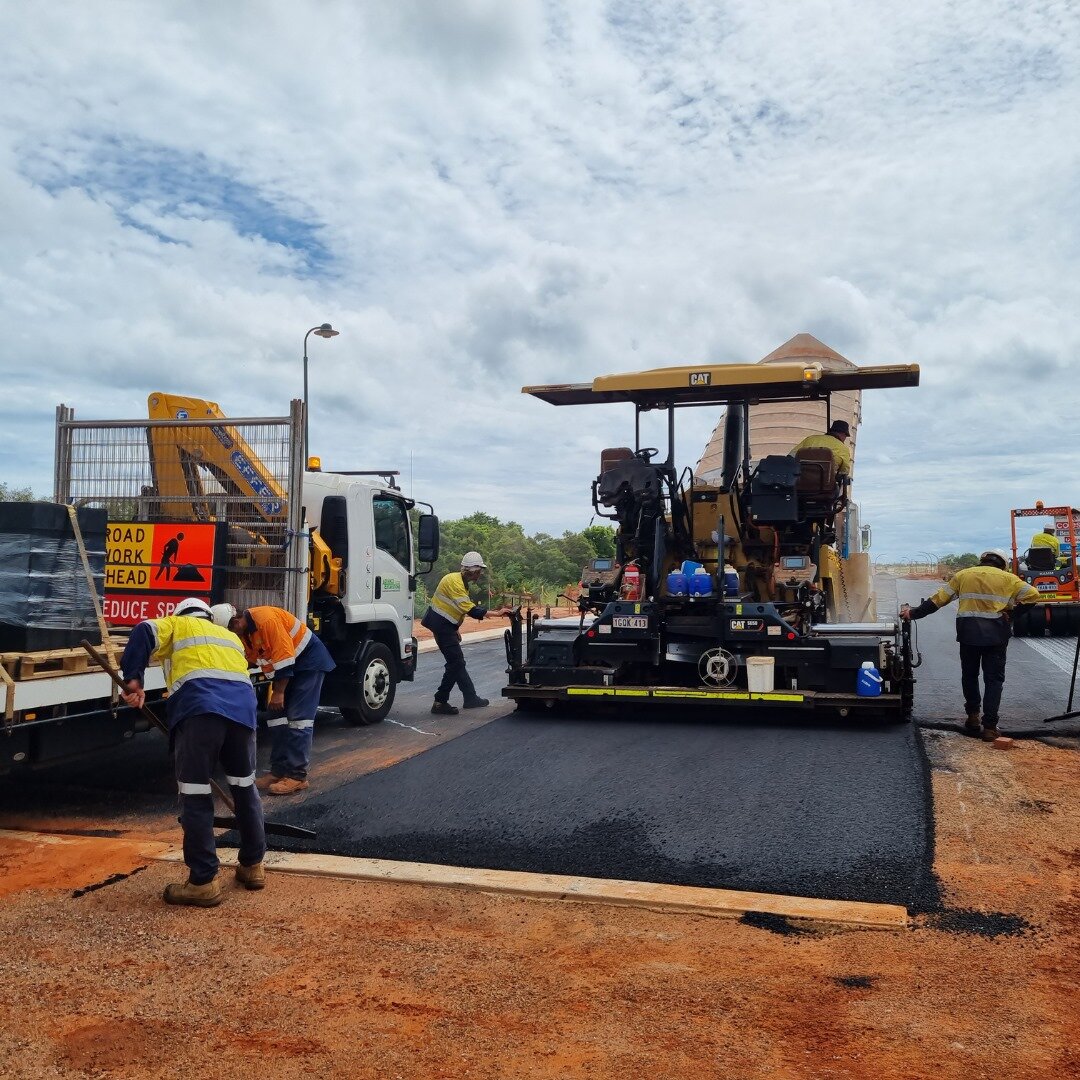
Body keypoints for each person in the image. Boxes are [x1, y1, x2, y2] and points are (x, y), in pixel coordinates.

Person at [119, 596, 265, 908]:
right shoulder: (228, 637)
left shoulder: (178, 624)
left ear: (181, 613)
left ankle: (202, 881)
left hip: (200, 712)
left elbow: (143, 631)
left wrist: (134, 680)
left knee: (196, 794)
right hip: (243, 715)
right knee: (244, 788)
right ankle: (253, 866)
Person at [900, 549, 1040, 741]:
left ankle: (973, 717)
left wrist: (913, 613)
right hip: (996, 635)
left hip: (969, 634)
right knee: (994, 680)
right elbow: (1033, 595)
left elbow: (937, 601)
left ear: (982, 560)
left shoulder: (963, 575)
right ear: (1002, 564)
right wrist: (1013, 614)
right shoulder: (1010, 579)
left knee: (970, 675)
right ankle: (990, 727)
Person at [210, 603, 335, 796]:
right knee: (276, 718)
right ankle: (278, 771)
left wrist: (278, 693)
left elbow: (284, 658)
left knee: (299, 720)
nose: (230, 634)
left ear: (236, 621)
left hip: (308, 663)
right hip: (288, 669)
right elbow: (250, 660)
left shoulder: (266, 620)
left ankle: (297, 776)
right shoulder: (245, 633)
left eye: (229, 630)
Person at [422, 551, 508, 715]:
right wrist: (498, 614)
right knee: (456, 663)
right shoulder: (454, 582)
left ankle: (470, 697)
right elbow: (470, 609)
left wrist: (456, 629)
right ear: (473, 570)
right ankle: (440, 701)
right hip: (442, 626)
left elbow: (455, 609)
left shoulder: (460, 582)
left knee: (457, 662)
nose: (480, 574)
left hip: (446, 626)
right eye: (479, 571)